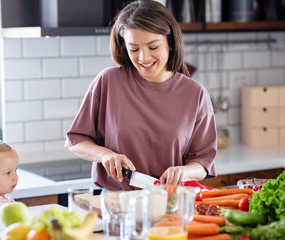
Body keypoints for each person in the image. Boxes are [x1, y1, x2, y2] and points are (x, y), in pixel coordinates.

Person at [65, 0, 217, 191]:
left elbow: (202, 163)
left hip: (170, 201)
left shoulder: (195, 93)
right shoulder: (109, 81)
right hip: (117, 202)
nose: (143, 58)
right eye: (134, 49)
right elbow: (76, 140)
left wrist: (183, 172)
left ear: (170, 44)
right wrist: (105, 155)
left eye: (153, 47)